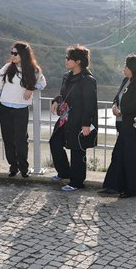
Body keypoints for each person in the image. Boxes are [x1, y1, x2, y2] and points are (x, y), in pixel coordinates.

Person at [100, 54, 136, 198]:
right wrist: (114, 105)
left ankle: (131, 190)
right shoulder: (126, 80)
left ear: (134, 68)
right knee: (118, 155)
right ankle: (113, 187)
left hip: (135, 129)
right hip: (124, 127)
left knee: (132, 159)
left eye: (126, 66)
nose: (123, 68)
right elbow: (118, 97)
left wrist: (121, 111)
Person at [0, 41, 45, 178]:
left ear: (23, 54)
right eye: (12, 53)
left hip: (21, 109)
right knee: (8, 139)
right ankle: (13, 166)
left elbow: (42, 83)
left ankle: (23, 167)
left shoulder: (34, 70)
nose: (13, 56)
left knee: (21, 139)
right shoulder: (7, 68)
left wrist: (30, 88)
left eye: (15, 53)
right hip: (4, 108)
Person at [49, 45, 97, 192]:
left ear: (78, 62)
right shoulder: (67, 76)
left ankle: (77, 182)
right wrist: (56, 100)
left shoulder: (87, 80)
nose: (66, 60)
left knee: (77, 150)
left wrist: (86, 124)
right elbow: (64, 95)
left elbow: (90, 103)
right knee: (55, 142)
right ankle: (64, 172)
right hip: (65, 118)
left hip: (79, 120)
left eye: (68, 58)